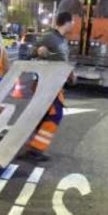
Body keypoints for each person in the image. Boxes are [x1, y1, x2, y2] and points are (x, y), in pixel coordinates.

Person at [26, 11, 76, 162]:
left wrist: (70, 75)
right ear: (66, 22)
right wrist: (38, 51)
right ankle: (36, 148)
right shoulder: (49, 36)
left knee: (44, 116)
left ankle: (33, 146)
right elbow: (29, 52)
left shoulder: (62, 40)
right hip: (46, 83)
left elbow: (62, 61)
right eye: (72, 22)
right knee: (55, 115)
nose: (74, 24)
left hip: (56, 83)